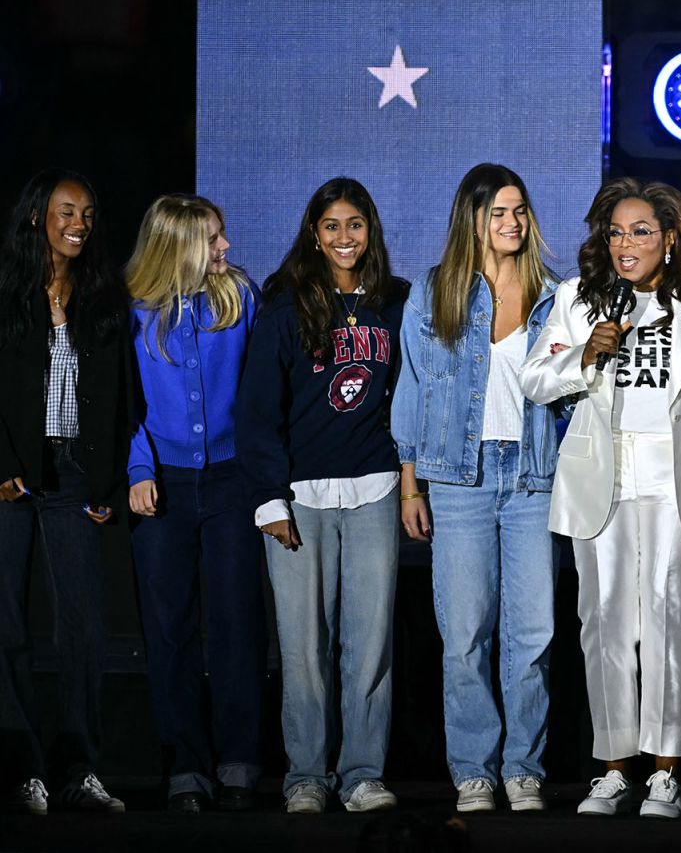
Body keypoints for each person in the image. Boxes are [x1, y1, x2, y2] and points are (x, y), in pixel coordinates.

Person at [520, 178, 681, 819]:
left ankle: (664, 772)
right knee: (603, 626)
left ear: (671, 237)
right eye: (616, 232)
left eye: (641, 232)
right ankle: (612, 768)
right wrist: (583, 354)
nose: (626, 244)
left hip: (680, 485)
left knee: (668, 624)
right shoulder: (578, 297)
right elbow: (536, 380)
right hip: (603, 482)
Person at [236, 177, 407, 815]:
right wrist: (270, 501)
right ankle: (305, 775)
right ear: (314, 232)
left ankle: (362, 773)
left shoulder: (395, 303)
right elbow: (257, 414)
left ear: (371, 231)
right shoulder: (285, 305)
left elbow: (409, 397)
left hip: (374, 490)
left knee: (368, 643)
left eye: (355, 225)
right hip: (299, 499)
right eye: (332, 226)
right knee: (303, 646)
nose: (344, 238)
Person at [392, 164, 560, 814]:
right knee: (464, 634)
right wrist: (411, 486)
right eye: (497, 212)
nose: (511, 223)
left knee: (533, 634)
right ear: (473, 218)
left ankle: (523, 768)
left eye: (519, 210)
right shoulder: (436, 291)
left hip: (533, 476)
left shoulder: (554, 293)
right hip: (456, 479)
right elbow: (412, 389)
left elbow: (570, 392)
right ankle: (474, 770)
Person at [125, 194, 266, 814]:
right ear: (179, 245)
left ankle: (238, 763)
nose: (225, 249)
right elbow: (122, 398)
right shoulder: (132, 312)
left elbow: (260, 395)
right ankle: (186, 767)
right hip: (162, 486)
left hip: (232, 481)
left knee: (237, 624)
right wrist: (138, 468)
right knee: (170, 628)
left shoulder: (241, 298)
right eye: (213, 239)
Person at [0, 168, 132, 815]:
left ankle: (78, 768)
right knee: (8, 627)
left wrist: (107, 477)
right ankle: (22, 767)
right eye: (65, 212)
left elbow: (118, 397)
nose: (77, 224)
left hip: (75, 475)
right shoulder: (7, 291)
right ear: (37, 219)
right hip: (11, 479)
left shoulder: (102, 296)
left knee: (82, 627)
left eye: (86, 214)